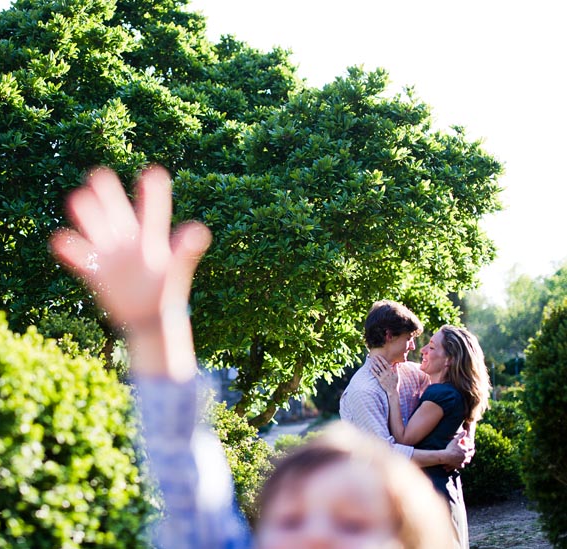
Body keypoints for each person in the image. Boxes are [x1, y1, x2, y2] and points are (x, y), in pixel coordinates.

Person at [50, 166, 456, 548]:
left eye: (351, 522)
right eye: (291, 520)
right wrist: (155, 328)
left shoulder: (405, 377)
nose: (315, 534)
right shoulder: (366, 388)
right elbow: (185, 477)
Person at [370, 325, 491, 548]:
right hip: (447, 487)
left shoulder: (441, 394)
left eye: (432, 346)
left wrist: (392, 392)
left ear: (449, 360)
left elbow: (404, 439)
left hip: (432, 489)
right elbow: (471, 418)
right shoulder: (455, 390)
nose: (423, 349)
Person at [339, 301, 474, 469]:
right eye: (409, 338)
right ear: (389, 335)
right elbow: (384, 455)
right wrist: (445, 456)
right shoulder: (363, 390)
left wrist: (467, 442)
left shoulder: (413, 373)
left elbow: (465, 392)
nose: (413, 346)